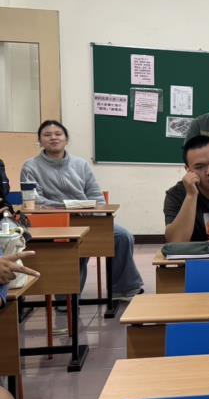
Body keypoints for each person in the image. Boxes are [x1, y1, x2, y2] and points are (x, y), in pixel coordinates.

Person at [21, 120, 145, 299]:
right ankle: (66, 297)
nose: (53, 138)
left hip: (85, 218)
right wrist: (68, 208)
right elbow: (35, 200)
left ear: (66, 139)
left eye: (58, 134)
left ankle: (123, 288)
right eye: (47, 135)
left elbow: (96, 195)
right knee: (74, 245)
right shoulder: (30, 166)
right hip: (53, 223)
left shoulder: (81, 164)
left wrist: (97, 215)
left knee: (122, 236)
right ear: (40, 141)